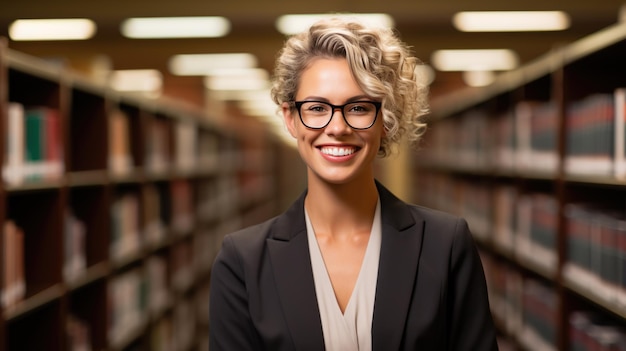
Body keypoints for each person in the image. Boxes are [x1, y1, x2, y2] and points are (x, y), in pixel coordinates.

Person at [209, 16, 498, 351]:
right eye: (317, 108)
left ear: (385, 119)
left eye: (358, 107)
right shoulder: (242, 261)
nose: (337, 127)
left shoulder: (445, 246)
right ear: (290, 118)